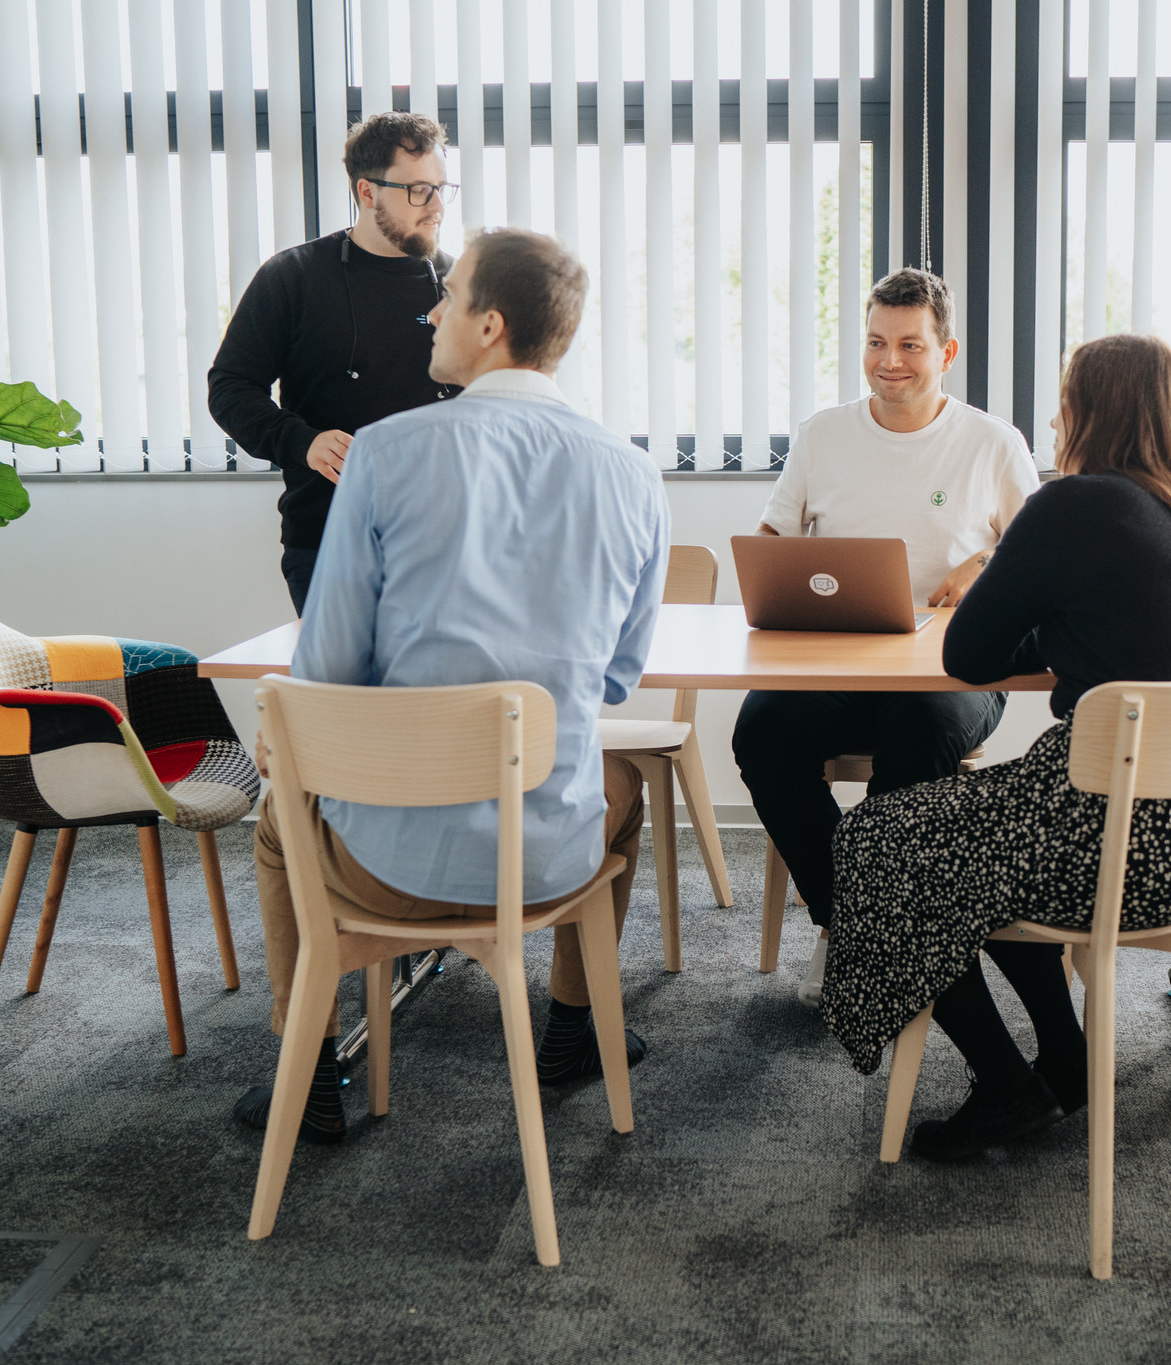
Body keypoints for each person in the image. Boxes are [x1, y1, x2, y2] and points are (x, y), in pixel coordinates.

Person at [819, 334, 1171, 1161]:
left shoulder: (1070, 505)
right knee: (982, 831)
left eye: (1065, 400)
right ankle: (1064, 1057)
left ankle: (1009, 1083)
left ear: (1088, 411)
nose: (1056, 417)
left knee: (880, 840)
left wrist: (1050, 626)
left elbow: (968, 658)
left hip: (1102, 845)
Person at [235, 228, 670, 1144]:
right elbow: (619, 678)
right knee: (625, 794)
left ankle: (307, 1068)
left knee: (280, 813)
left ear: (490, 324)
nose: (430, 310)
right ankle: (568, 1031)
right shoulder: (634, 474)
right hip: (549, 862)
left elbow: (328, 673)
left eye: (449, 295)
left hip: (390, 869)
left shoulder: (385, 454)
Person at [734, 268, 1041, 1005]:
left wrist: (987, 560)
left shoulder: (992, 443)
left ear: (947, 351)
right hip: (838, 666)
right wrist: (771, 555)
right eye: (875, 342)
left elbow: (1040, 549)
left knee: (916, 741)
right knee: (762, 732)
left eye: (910, 344)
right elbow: (774, 533)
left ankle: (874, 935)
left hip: (956, 673)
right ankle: (854, 926)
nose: (889, 360)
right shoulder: (823, 435)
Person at [208, 111, 466, 616]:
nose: (436, 206)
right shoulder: (292, 277)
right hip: (329, 540)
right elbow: (231, 387)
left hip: (447, 541)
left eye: (441, 188)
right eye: (418, 190)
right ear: (367, 192)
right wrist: (302, 443)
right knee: (349, 696)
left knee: (442, 696)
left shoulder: (462, 283)